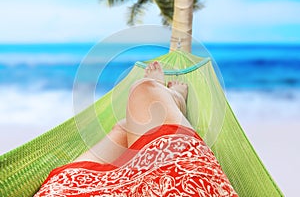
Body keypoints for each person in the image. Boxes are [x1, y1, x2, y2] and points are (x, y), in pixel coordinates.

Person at [35, 61, 238, 196]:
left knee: (122, 129)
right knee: (143, 89)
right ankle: (172, 98)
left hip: (78, 190)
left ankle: (135, 122)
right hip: (176, 186)